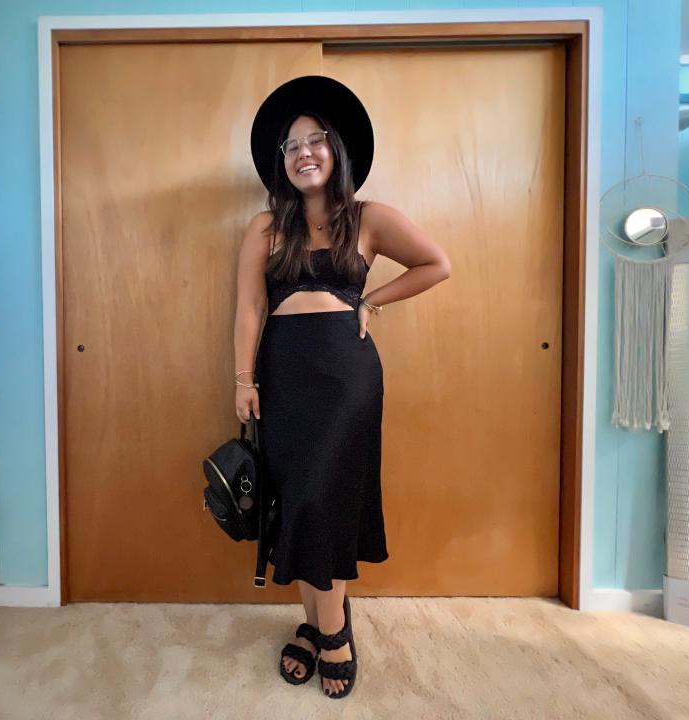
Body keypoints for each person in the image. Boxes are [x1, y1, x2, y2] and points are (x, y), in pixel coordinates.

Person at [233, 76, 451, 699]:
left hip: (347, 377)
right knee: (299, 500)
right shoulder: (263, 228)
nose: (304, 152)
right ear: (281, 162)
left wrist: (373, 300)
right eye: (291, 145)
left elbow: (436, 264)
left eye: (315, 141)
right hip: (282, 377)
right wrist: (243, 380)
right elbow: (249, 308)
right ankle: (321, 620)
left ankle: (332, 636)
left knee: (324, 500)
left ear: (336, 151)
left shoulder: (371, 218)